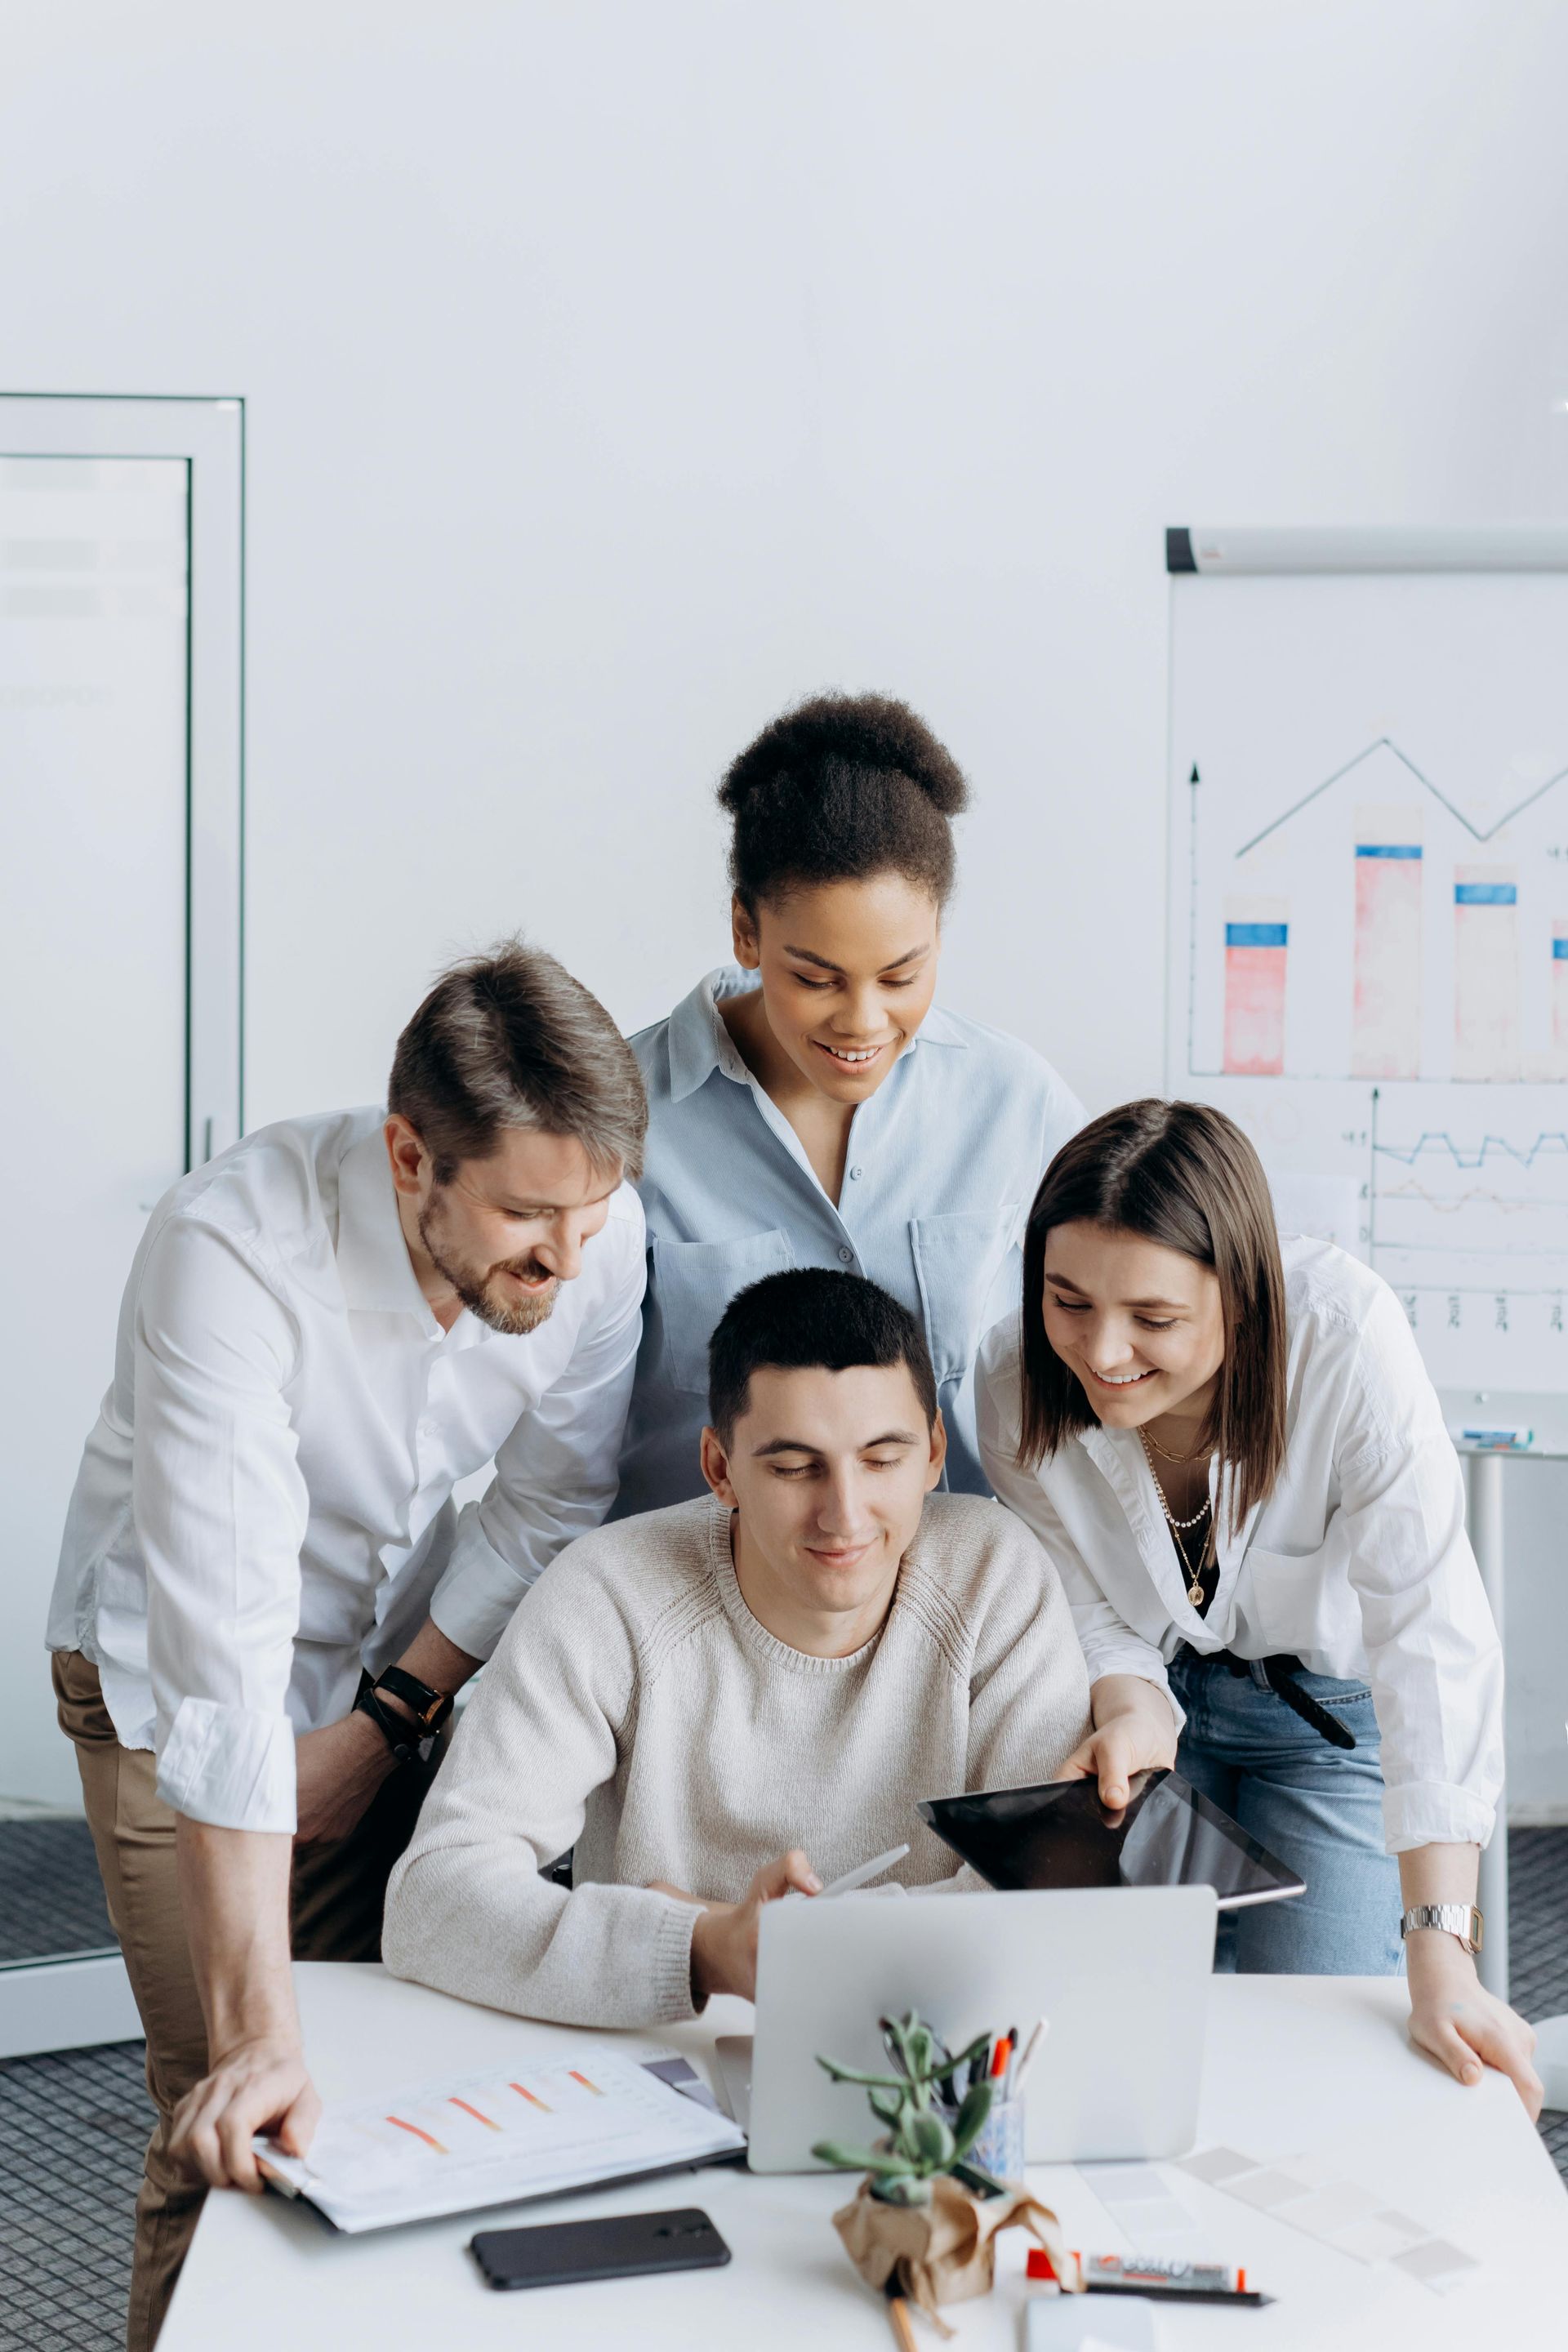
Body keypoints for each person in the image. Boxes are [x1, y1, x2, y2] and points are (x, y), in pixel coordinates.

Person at [47, 940, 648, 2351]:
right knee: (240, 2113)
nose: (565, 1258)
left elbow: (553, 1497)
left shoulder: (592, 1232)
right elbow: (223, 1668)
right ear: (406, 1155)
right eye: (524, 1216)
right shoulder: (230, 1256)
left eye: (592, 1212)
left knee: (402, 2084)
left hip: (393, 1659)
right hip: (166, 1688)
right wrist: (260, 2028)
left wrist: (381, 1725)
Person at [976, 1098, 1543, 2117]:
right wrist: (1133, 1706)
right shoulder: (1011, 1375)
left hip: (1335, 1722)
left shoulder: (1346, 1341)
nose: (1101, 1355)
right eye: (1068, 1301)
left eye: (1153, 1320)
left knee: (1320, 2048)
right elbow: (1076, 1593)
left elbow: (1428, 1635)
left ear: (1242, 1299)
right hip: (1154, 1704)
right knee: (1089, 2033)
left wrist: (1442, 1947)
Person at [382, 1268, 1090, 2024]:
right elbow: (433, 1899)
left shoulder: (996, 1578)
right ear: (720, 1469)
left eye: (882, 1460)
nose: (844, 1516)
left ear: (935, 1453)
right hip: (656, 2060)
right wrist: (705, 1945)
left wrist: (769, 1939)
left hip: (928, 2044)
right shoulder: (609, 1593)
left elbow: (1044, 1906)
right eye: (794, 1468)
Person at [613, 692, 1082, 1516]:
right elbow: (554, 1445)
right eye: (815, 978)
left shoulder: (1016, 1104)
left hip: (965, 1595)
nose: (864, 1021)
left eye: (902, 976)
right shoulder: (624, 1116)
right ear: (745, 933)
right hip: (685, 1600)